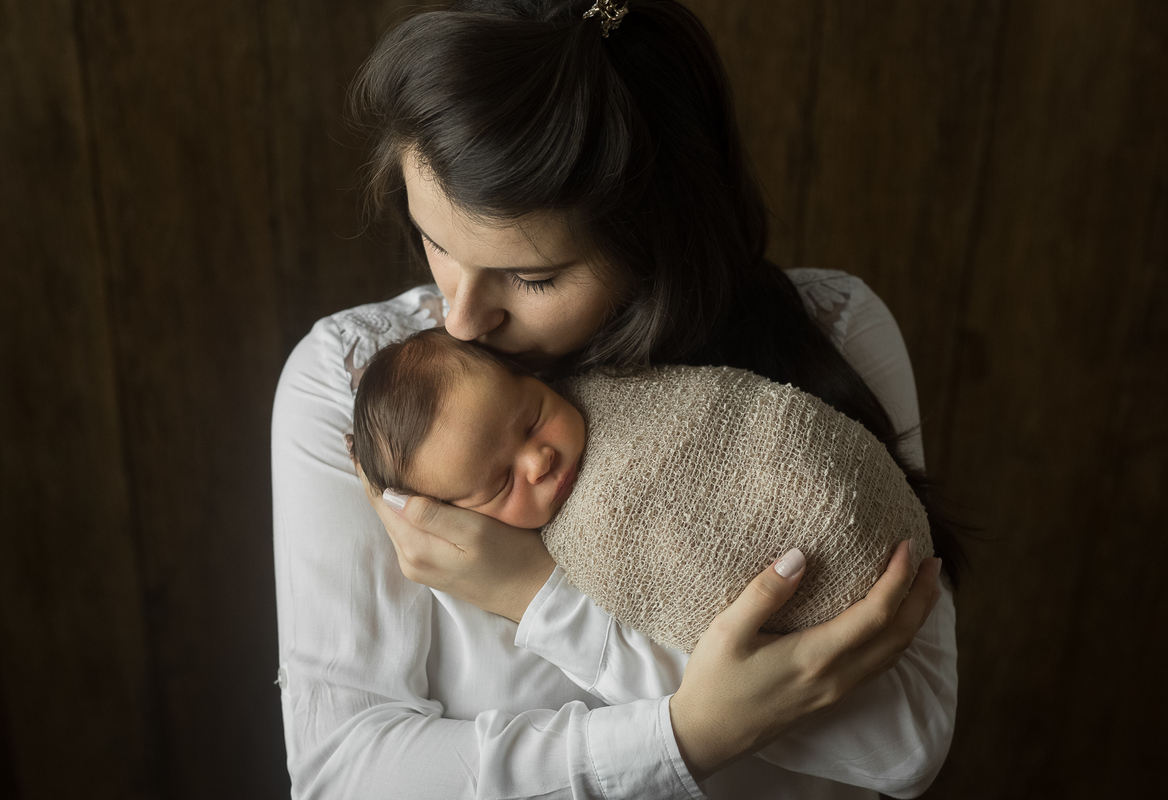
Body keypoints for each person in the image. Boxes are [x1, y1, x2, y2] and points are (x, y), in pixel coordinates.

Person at [271, 1, 958, 798]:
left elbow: (907, 744)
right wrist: (688, 734)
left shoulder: (834, 334)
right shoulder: (354, 383)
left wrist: (536, 594)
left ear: (660, 237)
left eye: (532, 277)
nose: (461, 317)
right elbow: (344, 774)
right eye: (438, 242)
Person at [347, 326, 935, 651]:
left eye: (531, 419)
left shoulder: (614, 385)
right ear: (449, 516)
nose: (538, 460)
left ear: (534, 377)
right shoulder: (577, 546)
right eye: (500, 483)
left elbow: (731, 411)